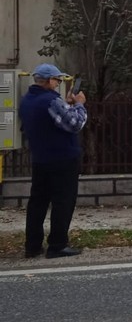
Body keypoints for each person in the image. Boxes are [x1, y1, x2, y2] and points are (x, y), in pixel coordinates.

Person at [20, 63, 87, 259]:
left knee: (37, 202)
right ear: (49, 81)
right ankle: (57, 245)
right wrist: (80, 104)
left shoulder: (27, 101)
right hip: (62, 159)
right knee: (63, 202)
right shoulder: (50, 101)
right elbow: (74, 124)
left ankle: (32, 245)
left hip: (40, 158)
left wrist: (67, 105)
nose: (58, 84)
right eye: (57, 80)